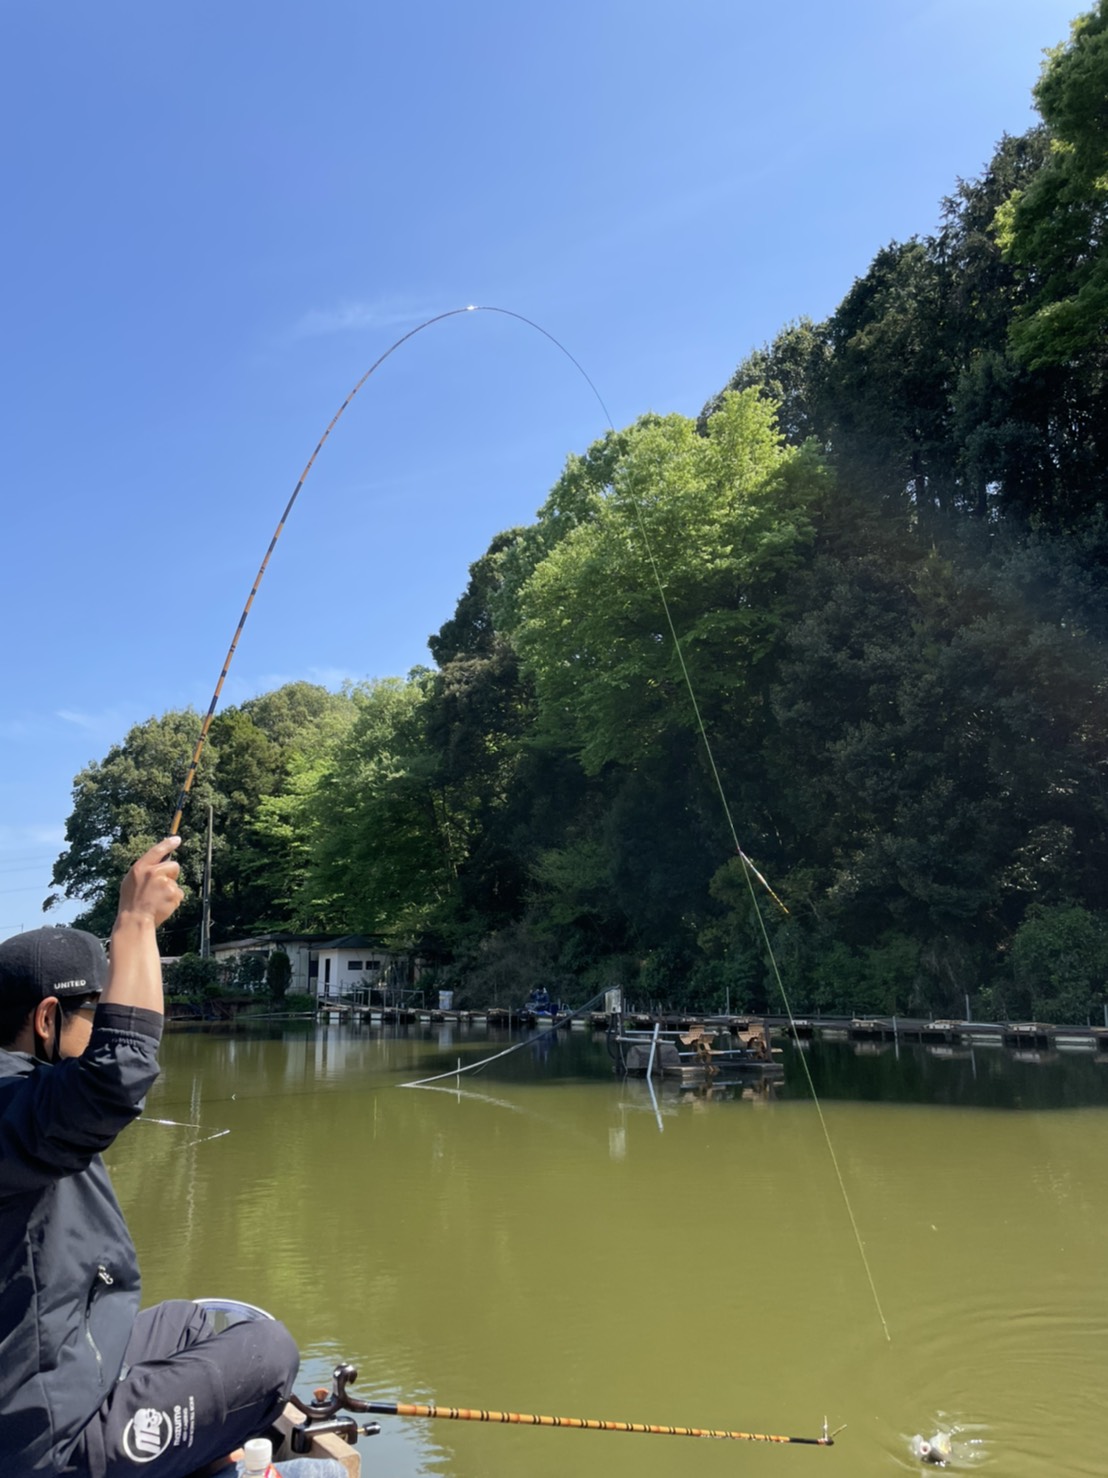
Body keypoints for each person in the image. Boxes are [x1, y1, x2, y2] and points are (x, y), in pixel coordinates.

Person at [0, 839, 311, 1478]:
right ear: (47, 1017)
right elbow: (117, 1074)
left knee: (191, 1322)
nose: (107, 1022)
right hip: (43, 1443)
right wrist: (136, 923)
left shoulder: (22, 1095)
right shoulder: (14, 1104)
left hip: (51, 1358)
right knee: (268, 1350)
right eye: (97, 1009)